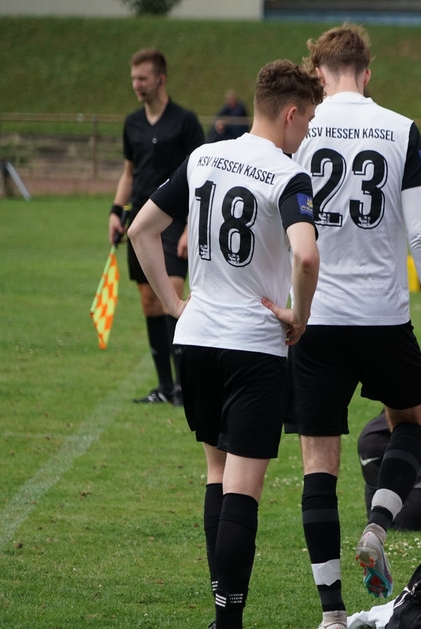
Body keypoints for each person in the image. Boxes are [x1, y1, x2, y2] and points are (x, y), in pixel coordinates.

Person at [127, 59, 323, 629]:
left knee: (217, 474)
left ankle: (221, 617)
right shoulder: (288, 174)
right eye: (308, 121)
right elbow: (306, 255)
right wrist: (299, 315)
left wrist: (173, 304)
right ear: (291, 114)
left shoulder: (204, 157)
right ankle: (229, 622)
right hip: (252, 345)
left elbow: (141, 229)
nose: (307, 133)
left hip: (197, 340)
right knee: (243, 489)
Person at [284, 23, 421, 629]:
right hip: (383, 316)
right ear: (367, 72)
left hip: (317, 318)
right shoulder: (400, 128)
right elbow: (420, 234)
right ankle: (378, 526)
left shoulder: (299, 129)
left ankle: (331, 614)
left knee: (318, 463)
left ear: (318, 72)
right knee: (412, 424)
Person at [109, 48, 204, 405]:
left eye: (142, 78)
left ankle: (185, 387)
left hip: (174, 221)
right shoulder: (132, 123)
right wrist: (115, 211)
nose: (136, 84)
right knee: (150, 302)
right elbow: (129, 173)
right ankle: (165, 387)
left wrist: (190, 226)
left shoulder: (185, 121)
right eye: (133, 78)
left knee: (173, 298)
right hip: (139, 221)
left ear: (160, 79)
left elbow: (200, 177)